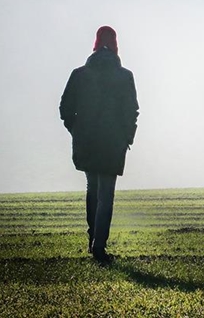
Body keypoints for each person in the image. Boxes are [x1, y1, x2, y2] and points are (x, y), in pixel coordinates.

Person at [60, 26, 139, 264]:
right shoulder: (125, 76)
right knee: (106, 194)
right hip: (112, 143)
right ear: (115, 45)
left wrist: (76, 130)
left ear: (95, 44)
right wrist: (127, 137)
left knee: (92, 190)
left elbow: (65, 109)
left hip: (86, 141)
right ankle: (99, 247)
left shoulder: (79, 74)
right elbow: (132, 111)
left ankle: (92, 240)